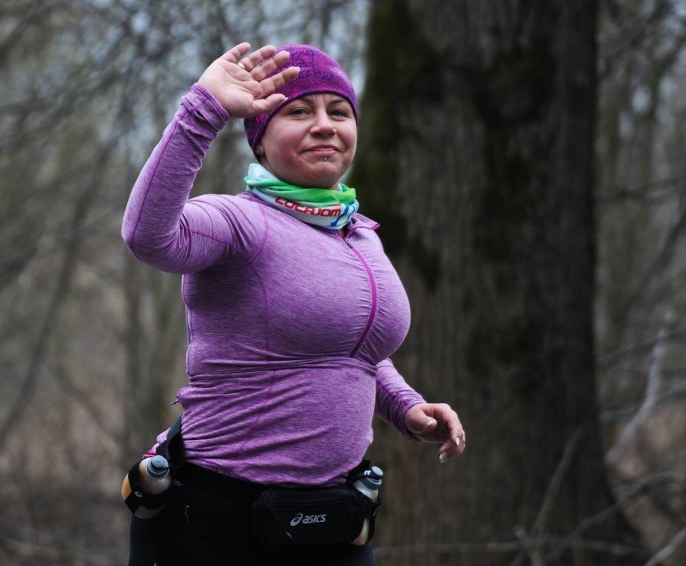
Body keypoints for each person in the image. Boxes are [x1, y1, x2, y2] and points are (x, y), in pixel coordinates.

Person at [121, 42, 466, 566]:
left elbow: (354, 347)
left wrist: (405, 406)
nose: (325, 125)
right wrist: (203, 111)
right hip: (217, 511)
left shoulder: (359, 233)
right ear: (260, 142)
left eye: (340, 112)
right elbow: (148, 236)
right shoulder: (238, 223)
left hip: (333, 510)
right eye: (299, 111)